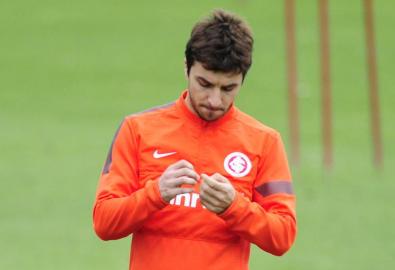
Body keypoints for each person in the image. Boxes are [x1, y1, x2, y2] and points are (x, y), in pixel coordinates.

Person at [93, 9, 296, 270]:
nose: (214, 100)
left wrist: (234, 208)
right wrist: (155, 194)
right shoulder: (138, 130)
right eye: (204, 83)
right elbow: (104, 222)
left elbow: (283, 235)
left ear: (242, 80)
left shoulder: (264, 142)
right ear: (186, 67)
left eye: (228, 89)